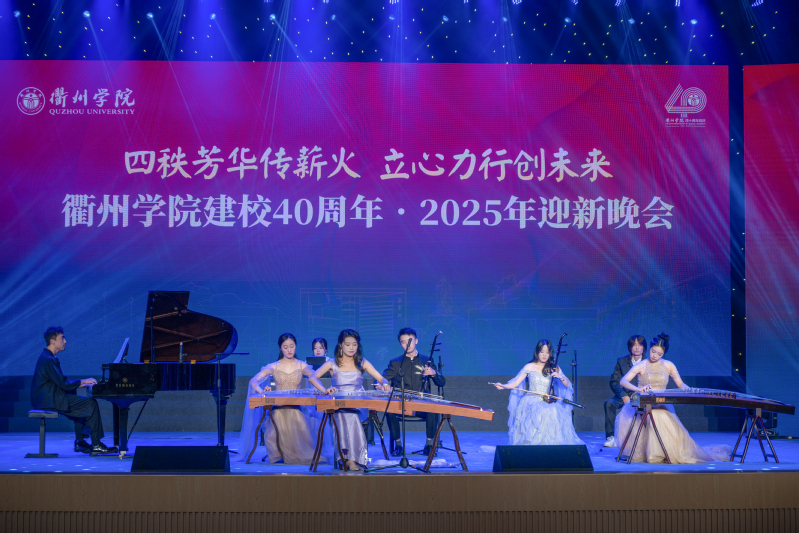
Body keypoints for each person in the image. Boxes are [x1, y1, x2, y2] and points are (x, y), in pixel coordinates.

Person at [614, 333, 731, 463]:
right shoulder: (642, 364)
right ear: (650, 348)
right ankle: (653, 453)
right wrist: (638, 389)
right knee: (655, 416)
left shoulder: (669, 365)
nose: (654, 356)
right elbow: (623, 381)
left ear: (663, 354)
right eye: (653, 351)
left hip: (661, 401)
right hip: (644, 402)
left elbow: (680, 384)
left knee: (662, 415)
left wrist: (690, 390)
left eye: (659, 354)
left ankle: (667, 452)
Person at [236, 333, 333, 464]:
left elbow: (314, 379)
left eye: (292, 346)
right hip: (278, 409)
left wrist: (324, 390)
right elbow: (253, 381)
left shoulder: (301, 365)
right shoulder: (274, 366)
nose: (289, 350)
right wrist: (262, 392)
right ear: (280, 348)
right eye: (285, 347)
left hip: (296, 408)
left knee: (298, 423)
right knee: (277, 422)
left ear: (295, 346)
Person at [30, 327, 118, 456]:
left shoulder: (48, 357)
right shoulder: (48, 359)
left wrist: (82, 384)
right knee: (90, 404)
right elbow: (63, 383)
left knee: (81, 404)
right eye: (62, 338)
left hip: (48, 398)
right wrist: (83, 381)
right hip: (48, 400)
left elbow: (61, 382)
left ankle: (80, 441)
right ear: (52, 341)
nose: (65, 341)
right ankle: (96, 445)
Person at [314, 329, 390, 471]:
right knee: (342, 415)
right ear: (341, 345)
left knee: (352, 416)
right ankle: (348, 458)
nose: (351, 348)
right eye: (347, 344)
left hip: (358, 403)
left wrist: (385, 384)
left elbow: (381, 378)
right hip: (338, 403)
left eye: (354, 344)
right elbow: (313, 377)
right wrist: (324, 390)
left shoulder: (362, 362)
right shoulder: (332, 363)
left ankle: (352, 458)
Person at [494, 339, 585, 446]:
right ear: (537, 352)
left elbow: (567, 384)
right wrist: (503, 386)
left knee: (554, 410)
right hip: (531, 399)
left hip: (547, 400)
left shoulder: (554, 367)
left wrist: (560, 377)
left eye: (547, 352)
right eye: (542, 352)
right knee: (541, 410)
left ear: (550, 353)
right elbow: (515, 383)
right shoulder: (529, 366)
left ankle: (552, 446)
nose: (544, 355)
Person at [382, 327, 446, 456]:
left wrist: (433, 373)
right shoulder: (395, 362)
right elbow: (381, 378)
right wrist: (382, 384)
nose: (407, 344)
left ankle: (429, 445)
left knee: (433, 408)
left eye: (410, 341)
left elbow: (441, 382)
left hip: (422, 405)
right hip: (402, 405)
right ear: (400, 344)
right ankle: (398, 445)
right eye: (403, 342)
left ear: (416, 341)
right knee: (389, 409)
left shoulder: (426, 360)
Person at [603, 335, 646, 447]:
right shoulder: (621, 361)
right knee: (609, 403)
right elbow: (614, 381)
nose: (637, 348)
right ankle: (611, 437)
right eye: (634, 345)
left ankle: (645, 438)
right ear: (630, 347)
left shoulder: (648, 362)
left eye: (640, 345)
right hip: (625, 395)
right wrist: (623, 395)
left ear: (644, 347)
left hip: (642, 396)